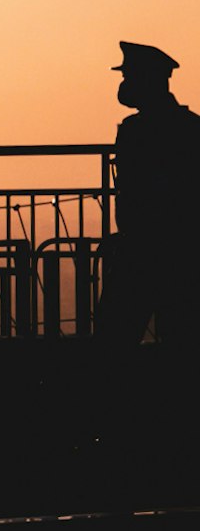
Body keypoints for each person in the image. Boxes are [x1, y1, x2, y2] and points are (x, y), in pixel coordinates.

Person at [105, 36, 195, 488]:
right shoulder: (189, 128)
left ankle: (124, 443)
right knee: (180, 347)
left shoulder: (139, 131)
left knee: (116, 346)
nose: (124, 85)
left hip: (147, 254)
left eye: (129, 77)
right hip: (176, 255)